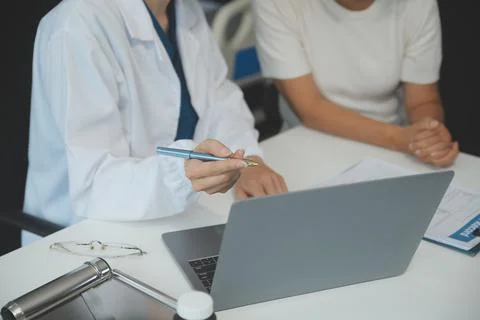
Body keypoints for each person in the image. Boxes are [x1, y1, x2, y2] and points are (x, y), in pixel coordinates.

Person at [24, 0, 287, 242]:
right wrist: (182, 174)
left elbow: (219, 100)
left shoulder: (183, 9)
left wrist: (248, 159)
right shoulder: (77, 25)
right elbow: (94, 183)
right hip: (85, 240)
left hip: (175, 220)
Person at [253, 0, 459, 168]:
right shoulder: (277, 4)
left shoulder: (416, 5)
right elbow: (310, 108)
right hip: (307, 144)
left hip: (395, 149)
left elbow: (422, 100)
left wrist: (428, 135)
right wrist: (402, 139)